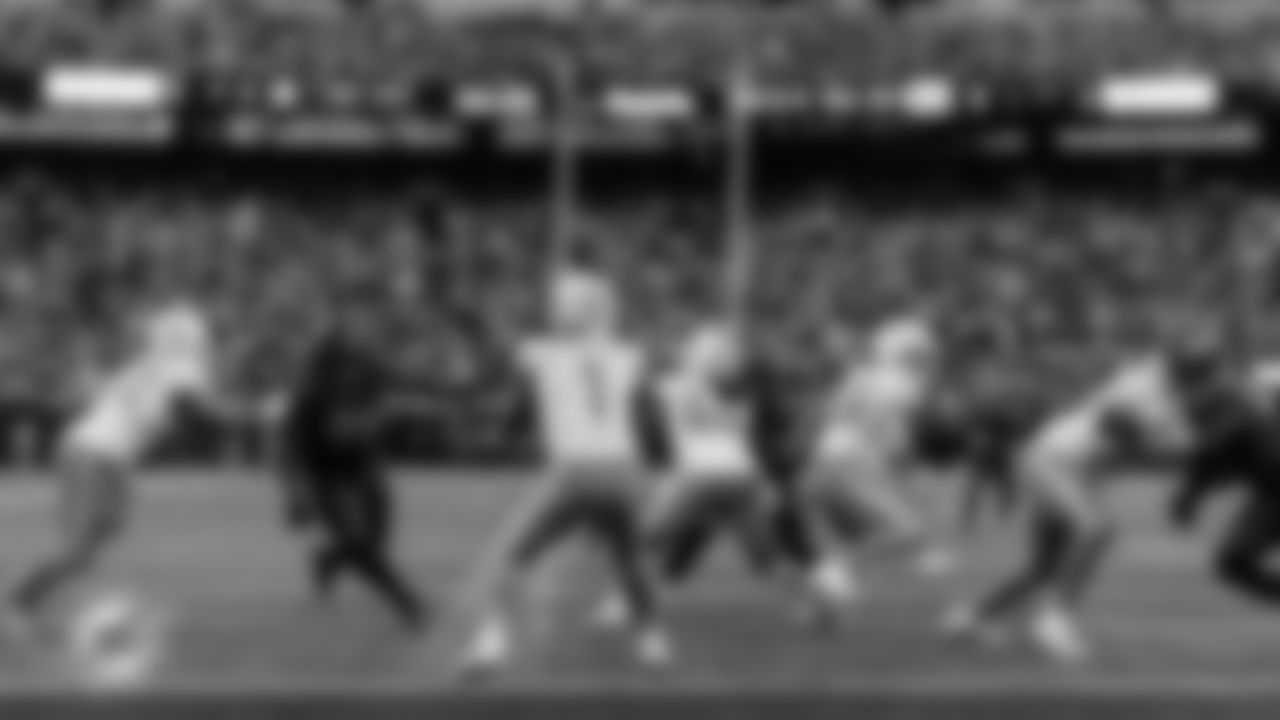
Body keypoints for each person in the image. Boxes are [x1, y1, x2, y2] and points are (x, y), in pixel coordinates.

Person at [944, 334, 1229, 664]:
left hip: (1066, 465)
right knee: (1095, 529)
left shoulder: (1166, 387)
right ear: (1188, 369)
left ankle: (970, 619)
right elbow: (1136, 447)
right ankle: (1055, 619)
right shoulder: (1140, 390)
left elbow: (1171, 450)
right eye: (1203, 371)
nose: (1207, 378)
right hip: (1054, 460)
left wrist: (1198, 455)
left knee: (1044, 569)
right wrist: (1198, 458)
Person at [460, 268, 667, 676]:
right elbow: (650, 418)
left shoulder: (545, 353)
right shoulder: (627, 355)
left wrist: (473, 318)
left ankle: (491, 643)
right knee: (629, 559)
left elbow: (499, 357)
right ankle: (652, 640)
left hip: (576, 469)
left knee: (513, 558)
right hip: (624, 471)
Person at [8, 301, 251, 635]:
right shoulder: (184, 370)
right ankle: (18, 604)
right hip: (93, 453)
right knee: (78, 550)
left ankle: (39, 596)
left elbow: (158, 404)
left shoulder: (147, 364)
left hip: (103, 455)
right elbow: (189, 409)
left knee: (110, 527)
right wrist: (244, 415)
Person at [277, 306, 428, 631]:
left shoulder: (368, 369)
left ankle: (329, 559)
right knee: (358, 544)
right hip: (325, 473)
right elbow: (289, 442)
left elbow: (407, 382)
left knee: (375, 544)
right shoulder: (311, 392)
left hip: (362, 463)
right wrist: (295, 489)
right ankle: (406, 602)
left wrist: (459, 391)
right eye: (341, 357)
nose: (349, 367)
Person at [800, 313, 953, 601]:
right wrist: (920, 469)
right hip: (849, 466)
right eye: (920, 356)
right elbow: (896, 444)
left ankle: (823, 599)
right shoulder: (901, 385)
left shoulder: (860, 376)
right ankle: (838, 568)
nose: (926, 362)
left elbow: (827, 418)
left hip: (820, 466)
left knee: (864, 544)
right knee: (908, 531)